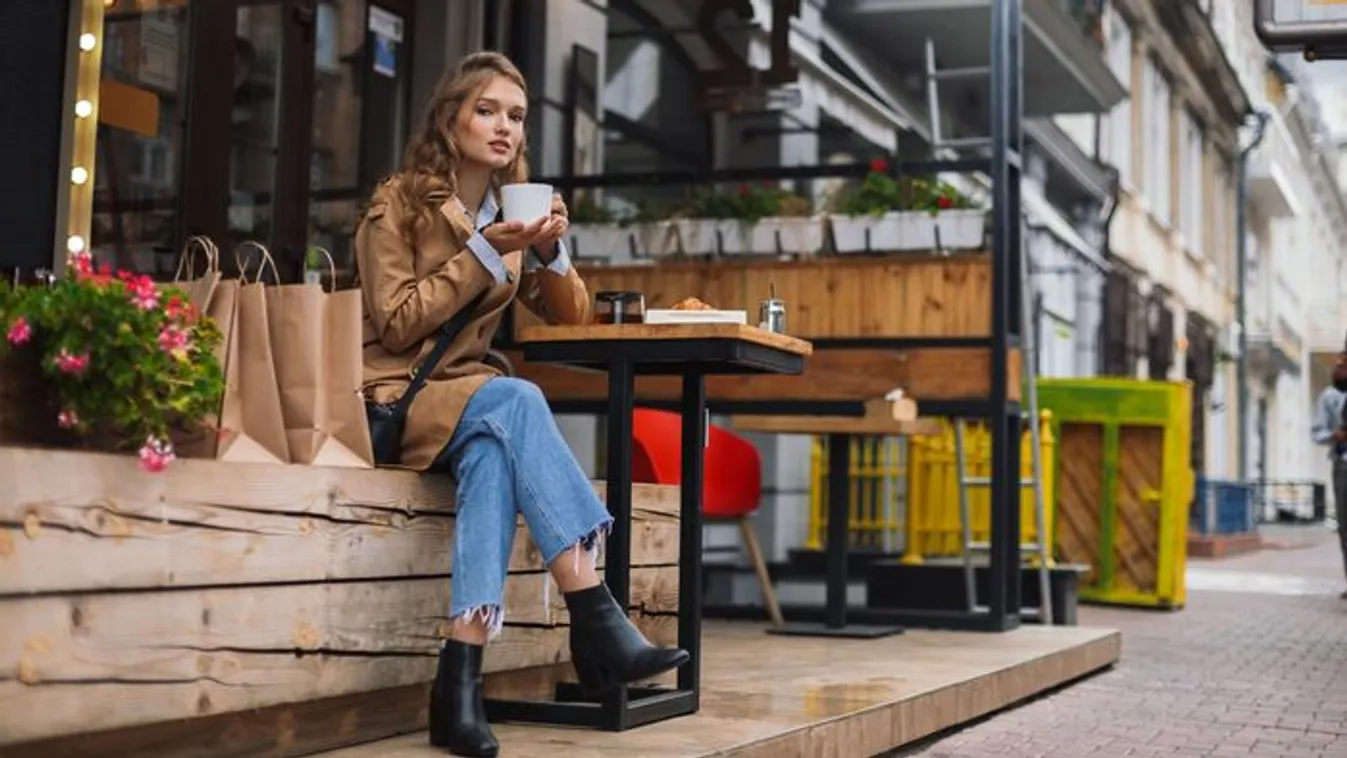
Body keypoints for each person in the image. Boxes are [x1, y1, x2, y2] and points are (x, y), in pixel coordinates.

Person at [354, 52, 688, 757]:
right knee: (517, 398)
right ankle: (594, 614)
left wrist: (552, 251)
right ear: (450, 119)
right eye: (486, 110)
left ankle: (459, 689)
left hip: (471, 409)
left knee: (494, 455)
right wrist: (480, 251)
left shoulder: (511, 212)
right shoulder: (400, 203)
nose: (502, 127)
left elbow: (570, 315)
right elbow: (394, 323)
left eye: (514, 115)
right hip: (392, 400)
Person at [1310, 352, 1347, 599]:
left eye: (1344, 362)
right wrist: (1336, 436)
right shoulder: (1330, 397)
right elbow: (1318, 431)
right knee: (1345, 525)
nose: (1338, 364)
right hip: (1343, 465)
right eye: (1340, 360)